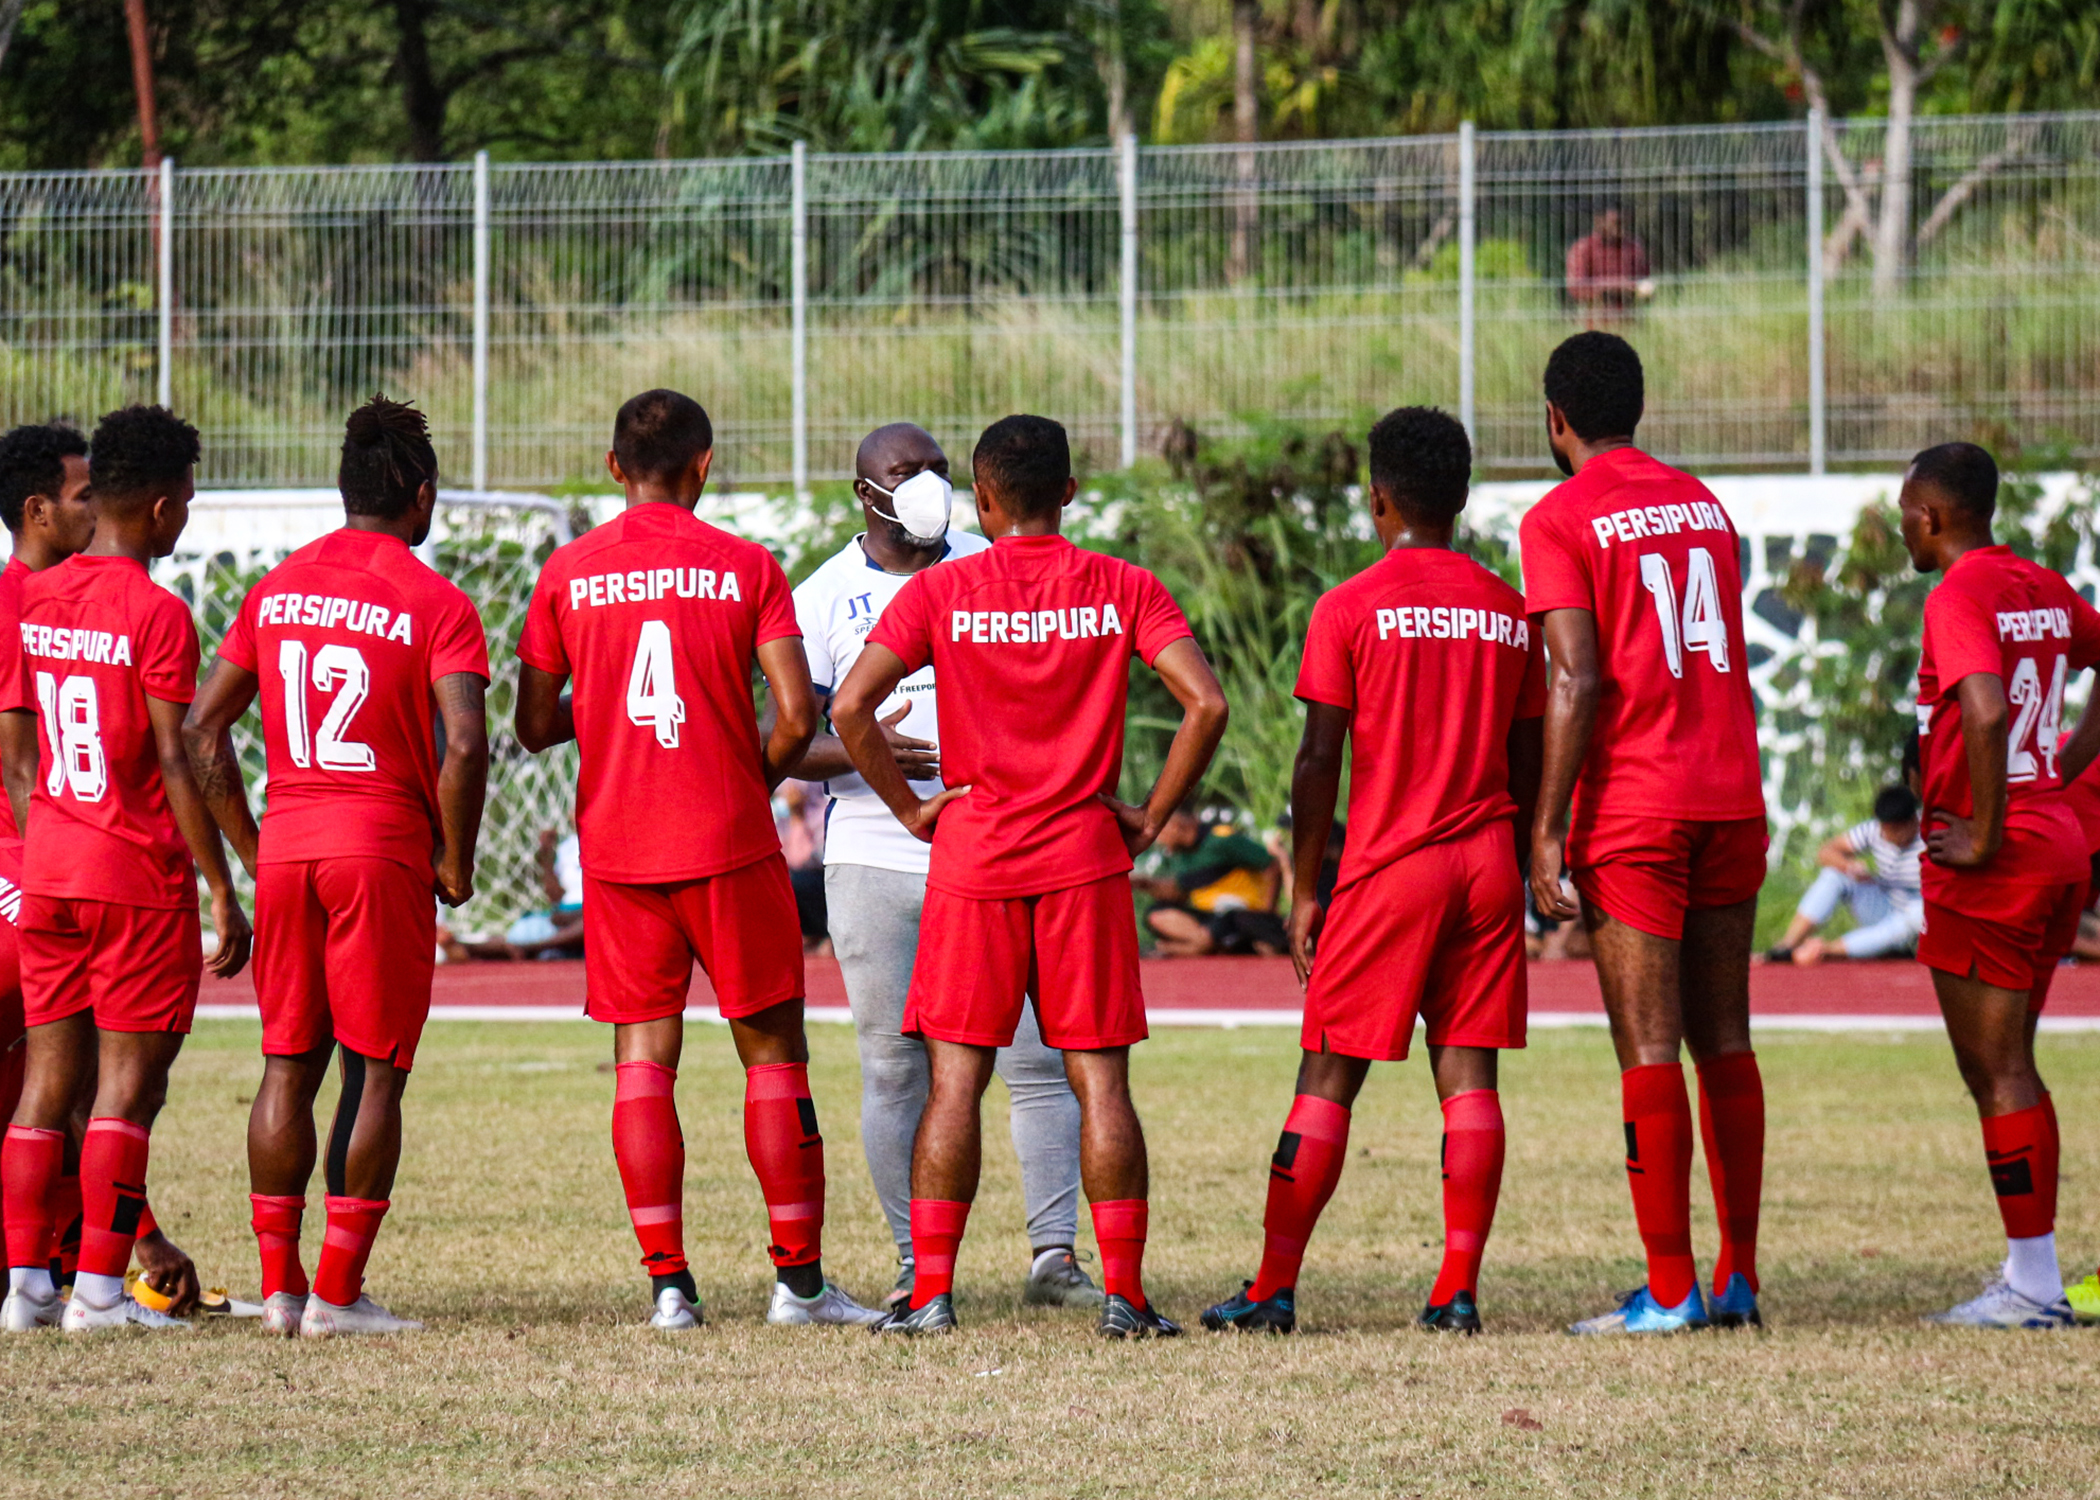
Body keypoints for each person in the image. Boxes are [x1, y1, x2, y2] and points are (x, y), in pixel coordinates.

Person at [832, 413, 1228, 1338]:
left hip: (976, 853)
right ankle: (1124, 1298)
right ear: (1070, 493)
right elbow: (1204, 702)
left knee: (956, 1081)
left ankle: (929, 1296)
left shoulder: (945, 588)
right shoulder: (1122, 585)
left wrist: (911, 810)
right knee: (1099, 1081)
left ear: (980, 498)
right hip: (1084, 856)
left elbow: (851, 706)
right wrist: (1153, 813)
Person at [513, 388, 879, 1329]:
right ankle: (798, 1284)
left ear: (612, 470)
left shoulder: (567, 573)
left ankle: (669, 1285)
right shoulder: (747, 566)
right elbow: (801, 717)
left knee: (644, 1060)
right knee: (773, 1060)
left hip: (622, 849)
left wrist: (599, 708)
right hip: (729, 843)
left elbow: (533, 723)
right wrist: (733, 773)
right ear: (705, 465)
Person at [1201, 406, 1543, 1336]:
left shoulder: (1350, 606)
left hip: (1394, 860)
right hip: (1486, 861)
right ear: (1462, 499)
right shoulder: (1508, 608)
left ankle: (1272, 1289)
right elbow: (1529, 750)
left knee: (1327, 1077)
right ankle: (1455, 1292)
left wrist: (1307, 889)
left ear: (1377, 498)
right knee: (1469, 1078)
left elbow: (1318, 759)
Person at [184, 395, 491, 1338]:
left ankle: (280, 1294)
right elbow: (468, 745)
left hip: (290, 847)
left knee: (287, 1064)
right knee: (378, 1073)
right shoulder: (436, 600)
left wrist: (250, 845)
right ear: (422, 496)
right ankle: (340, 1296)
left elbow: (202, 730)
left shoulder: (276, 588)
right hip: (379, 850)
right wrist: (457, 858)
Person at [788, 420, 1099, 1312]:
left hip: (1001, 843)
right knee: (897, 1067)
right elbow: (789, 739)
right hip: (877, 856)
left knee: (1040, 1056)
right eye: (902, 472)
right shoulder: (823, 597)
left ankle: (1055, 1257)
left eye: (935, 468)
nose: (925, 483)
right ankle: (912, 1262)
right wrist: (865, 753)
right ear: (866, 494)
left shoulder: (984, 563)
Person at [1524, 332, 1770, 1335]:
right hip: (1732, 793)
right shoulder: (1703, 502)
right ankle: (1739, 1277)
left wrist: (1547, 828)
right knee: (1729, 1039)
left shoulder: (1558, 515)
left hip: (1639, 803)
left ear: (1554, 419)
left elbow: (1577, 676)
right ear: (1642, 406)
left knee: (1649, 1045)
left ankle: (1671, 1291)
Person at [0, 405, 252, 1333]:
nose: (185, 519)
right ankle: (100, 1293)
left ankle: (28, 1290)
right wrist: (222, 886)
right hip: (131, 876)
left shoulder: (35, 598)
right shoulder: (156, 612)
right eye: (184, 503)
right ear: (153, 508)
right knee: (126, 1088)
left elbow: (18, 757)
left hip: (51, 865)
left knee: (43, 1085)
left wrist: (47, 839)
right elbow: (179, 757)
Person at [1901, 442, 2100, 1329]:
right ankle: (2033, 1271)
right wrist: (2061, 767)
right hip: (2053, 839)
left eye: (1907, 512)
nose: (1903, 526)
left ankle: (2029, 1288)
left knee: (1999, 1068)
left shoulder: (1960, 593)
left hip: (2000, 860)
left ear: (1932, 517)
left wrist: (1981, 829)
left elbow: (1981, 706)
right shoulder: (2042, 584)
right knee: (2013, 1063)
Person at [1767, 786, 1924, 965]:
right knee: (1834, 875)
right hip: (1887, 906)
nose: (1885, 836)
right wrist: (1850, 866)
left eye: (1894, 831)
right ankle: (1786, 946)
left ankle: (1824, 950)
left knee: (1919, 914)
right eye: (1883, 829)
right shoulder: (1875, 830)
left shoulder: (1930, 836)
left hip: (1919, 920)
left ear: (1912, 821)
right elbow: (1826, 852)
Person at [1135, 806, 1286, 956]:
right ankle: (1202, 944)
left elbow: (1272, 865)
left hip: (1241, 914)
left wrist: (1268, 907)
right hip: (1209, 916)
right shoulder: (1181, 855)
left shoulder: (1221, 840)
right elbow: (1177, 891)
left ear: (1174, 826)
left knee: (1236, 919)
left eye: (1158, 833)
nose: (1157, 841)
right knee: (1155, 913)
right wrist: (1142, 883)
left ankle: (1181, 947)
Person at [1565, 208, 1653, 325]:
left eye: (1625, 224)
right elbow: (1576, 289)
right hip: (1593, 322)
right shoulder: (1583, 248)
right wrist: (1618, 286)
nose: (1622, 229)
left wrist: (1644, 291)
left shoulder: (1634, 248)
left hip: (1629, 321)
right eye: (1616, 223)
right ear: (1599, 222)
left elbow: (1645, 284)